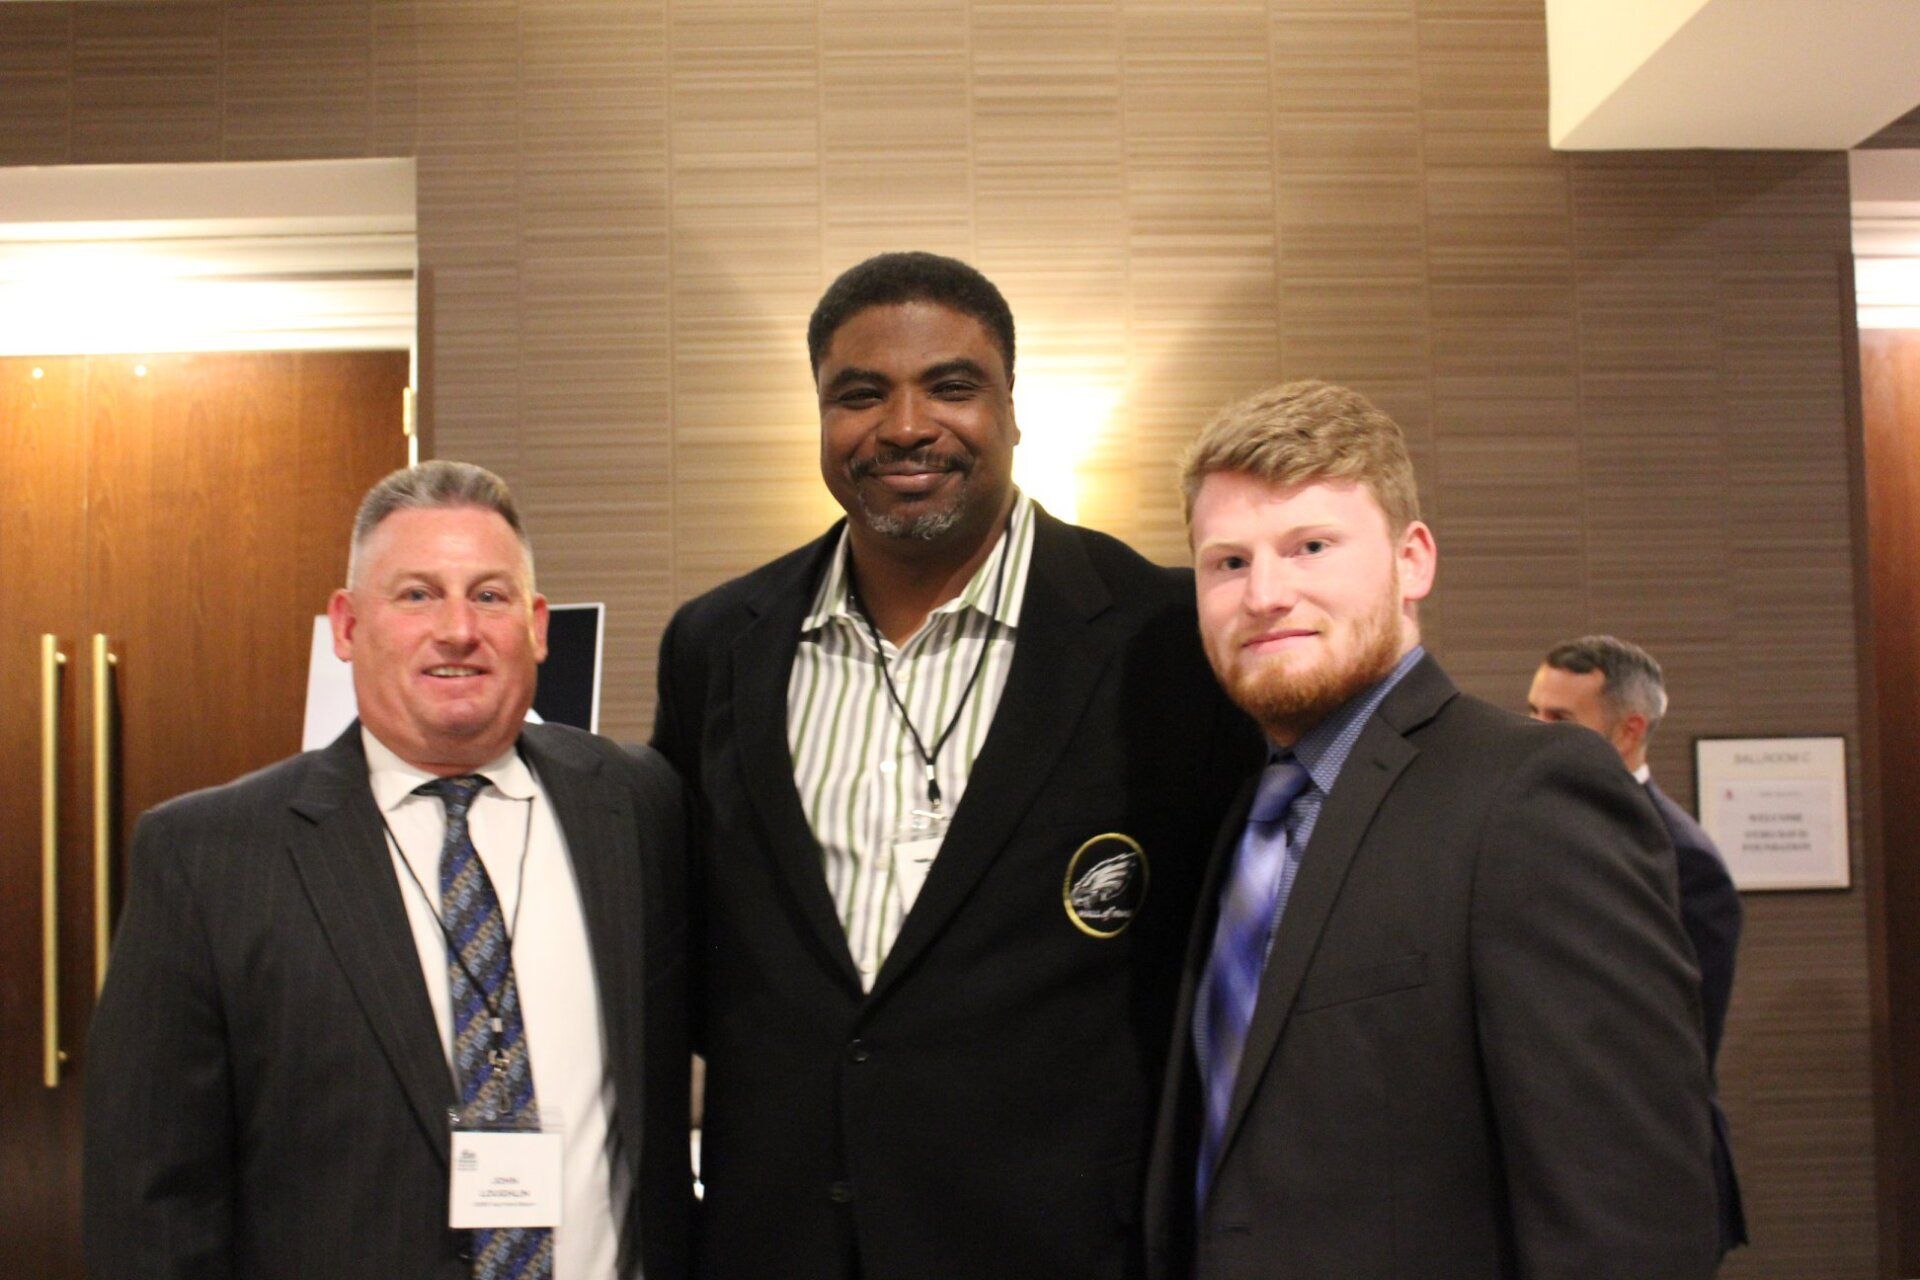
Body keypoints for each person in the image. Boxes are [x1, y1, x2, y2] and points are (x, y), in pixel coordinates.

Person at [652, 251, 1255, 1279]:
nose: (903, 425)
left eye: (951, 385)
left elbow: (1224, 971)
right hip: (780, 1242)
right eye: (859, 394)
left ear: (1013, 410)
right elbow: (696, 951)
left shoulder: (1167, 638)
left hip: (1062, 1246)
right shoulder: (717, 643)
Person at [1143, 380, 1719, 1279]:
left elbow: (1629, 1209)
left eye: (1311, 547)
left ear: (1413, 561)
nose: (1265, 594)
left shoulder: (1532, 798)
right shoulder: (1233, 819)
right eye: (1228, 563)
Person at [85, 461, 691, 1280]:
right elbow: (150, 1203)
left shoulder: (635, 804)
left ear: (538, 625)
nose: (457, 630)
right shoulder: (208, 858)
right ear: (346, 623)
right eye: (416, 595)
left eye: (489, 594)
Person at [1528, 635, 1747, 1257]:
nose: (1537, 731)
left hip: (1638, 1184)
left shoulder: (1685, 861)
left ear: (1628, 730)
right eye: (1534, 712)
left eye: (1560, 719)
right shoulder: (1530, 829)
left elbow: (1680, 1050)